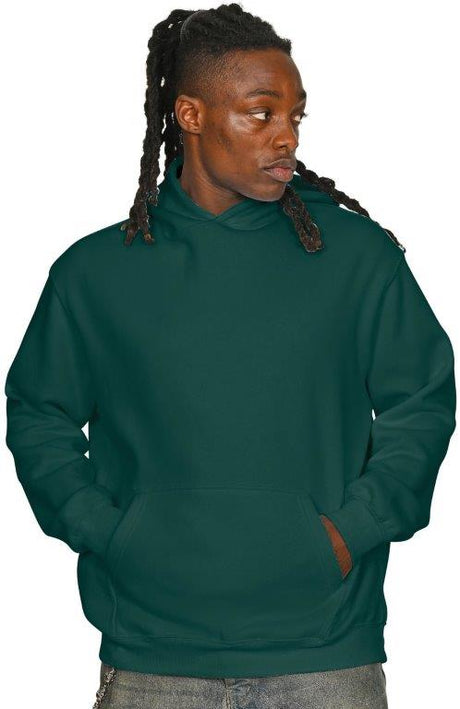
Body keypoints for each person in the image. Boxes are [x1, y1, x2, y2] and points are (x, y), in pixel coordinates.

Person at [4, 4, 456, 708]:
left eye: (296, 116)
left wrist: (350, 532)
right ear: (190, 115)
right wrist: (111, 533)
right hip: (154, 657)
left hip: (325, 655)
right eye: (261, 113)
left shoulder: (355, 257)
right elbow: (38, 413)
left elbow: (422, 401)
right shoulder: (95, 273)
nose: (287, 135)